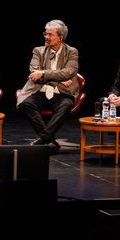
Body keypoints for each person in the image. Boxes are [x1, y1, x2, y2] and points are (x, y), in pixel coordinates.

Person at [16, 19, 80, 154]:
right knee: (27, 103)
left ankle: (43, 139)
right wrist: (59, 80)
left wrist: (44, 73)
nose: (46, 37)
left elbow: (69, 72)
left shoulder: (71, 52)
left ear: (60, 38)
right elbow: (34, 73)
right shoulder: (38, 51)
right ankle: (50, 141)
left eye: (50, 34)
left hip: (62, 93)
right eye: (45, 34)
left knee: (67, 105)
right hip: (40, 91)